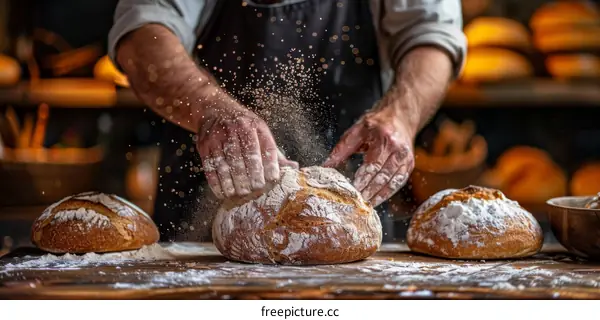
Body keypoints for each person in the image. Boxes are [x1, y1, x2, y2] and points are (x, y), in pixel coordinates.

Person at [108, 0, 466, 241]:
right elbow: (142, 31)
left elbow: (430, 33)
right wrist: (212, 110)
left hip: (353, 220)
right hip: (201, 227)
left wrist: (400, 116)